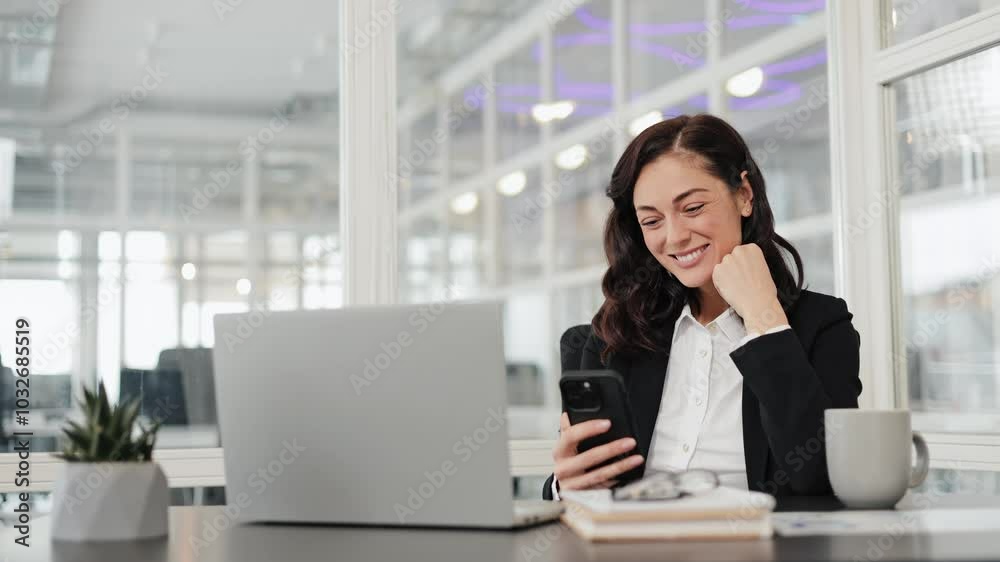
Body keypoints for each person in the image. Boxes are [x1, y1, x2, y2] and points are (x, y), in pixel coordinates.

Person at [543, 114, 861, 500]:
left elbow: (819, 480)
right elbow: (586, 484)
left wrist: (766, 318)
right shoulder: (613, 336)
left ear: (744, 195)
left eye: (692, 208)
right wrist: (564, 484)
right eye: (652, 220)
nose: (674, 237)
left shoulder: (821, 327)